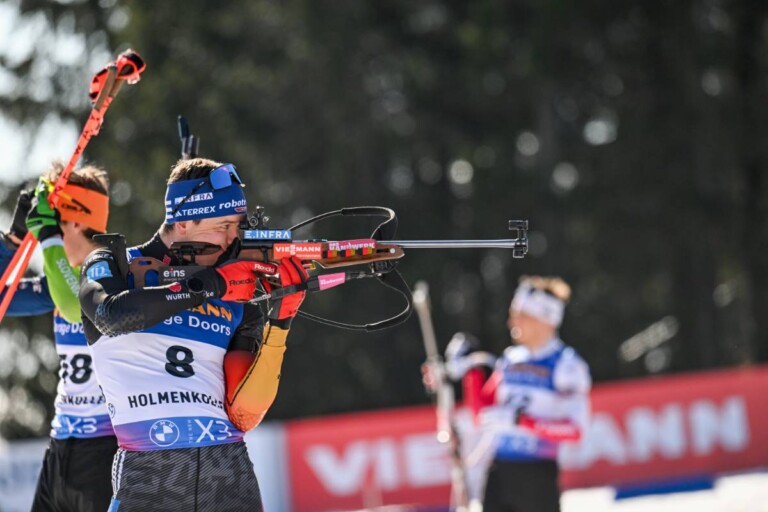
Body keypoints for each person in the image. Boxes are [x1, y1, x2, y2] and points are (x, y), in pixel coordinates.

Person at [78, 157, 308, 511]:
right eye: (223, 226)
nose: (232, 239)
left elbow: (245, 414)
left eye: (237, 227)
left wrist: (280, 322)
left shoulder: (238, 292)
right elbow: (112, 315)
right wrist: (207, 286)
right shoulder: (114, 263)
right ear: (183, 222)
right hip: (148, 470)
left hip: (228, 470)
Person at [0, 163, 117, 512]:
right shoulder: (59, 280)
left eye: (56, 221)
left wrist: (49, 238)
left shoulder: (114, 274)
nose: (48, 234)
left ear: (76, 222)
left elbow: (75, 304)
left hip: (104, 452)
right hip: (60, 447)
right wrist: (13, 240)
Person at [455, 275, 591, 512]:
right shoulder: (511, 359)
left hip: (537, 474)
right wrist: (470, 369)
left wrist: (523, 421)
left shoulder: (567, 364)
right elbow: (481, 414)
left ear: (544, 320)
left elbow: (575, 430)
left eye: (521, 315)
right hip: (499, 471)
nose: (511, 322)